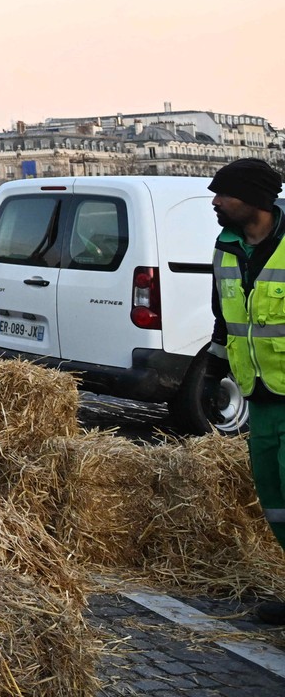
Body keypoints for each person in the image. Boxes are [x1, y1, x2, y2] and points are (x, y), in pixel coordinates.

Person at [205, 157, 285, 624]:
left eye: (223, 194)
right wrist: (214, 371)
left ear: (253, 198)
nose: (215, 202)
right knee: (276, 503)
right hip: (261, 396)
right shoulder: (227, 246)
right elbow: (224, 315)